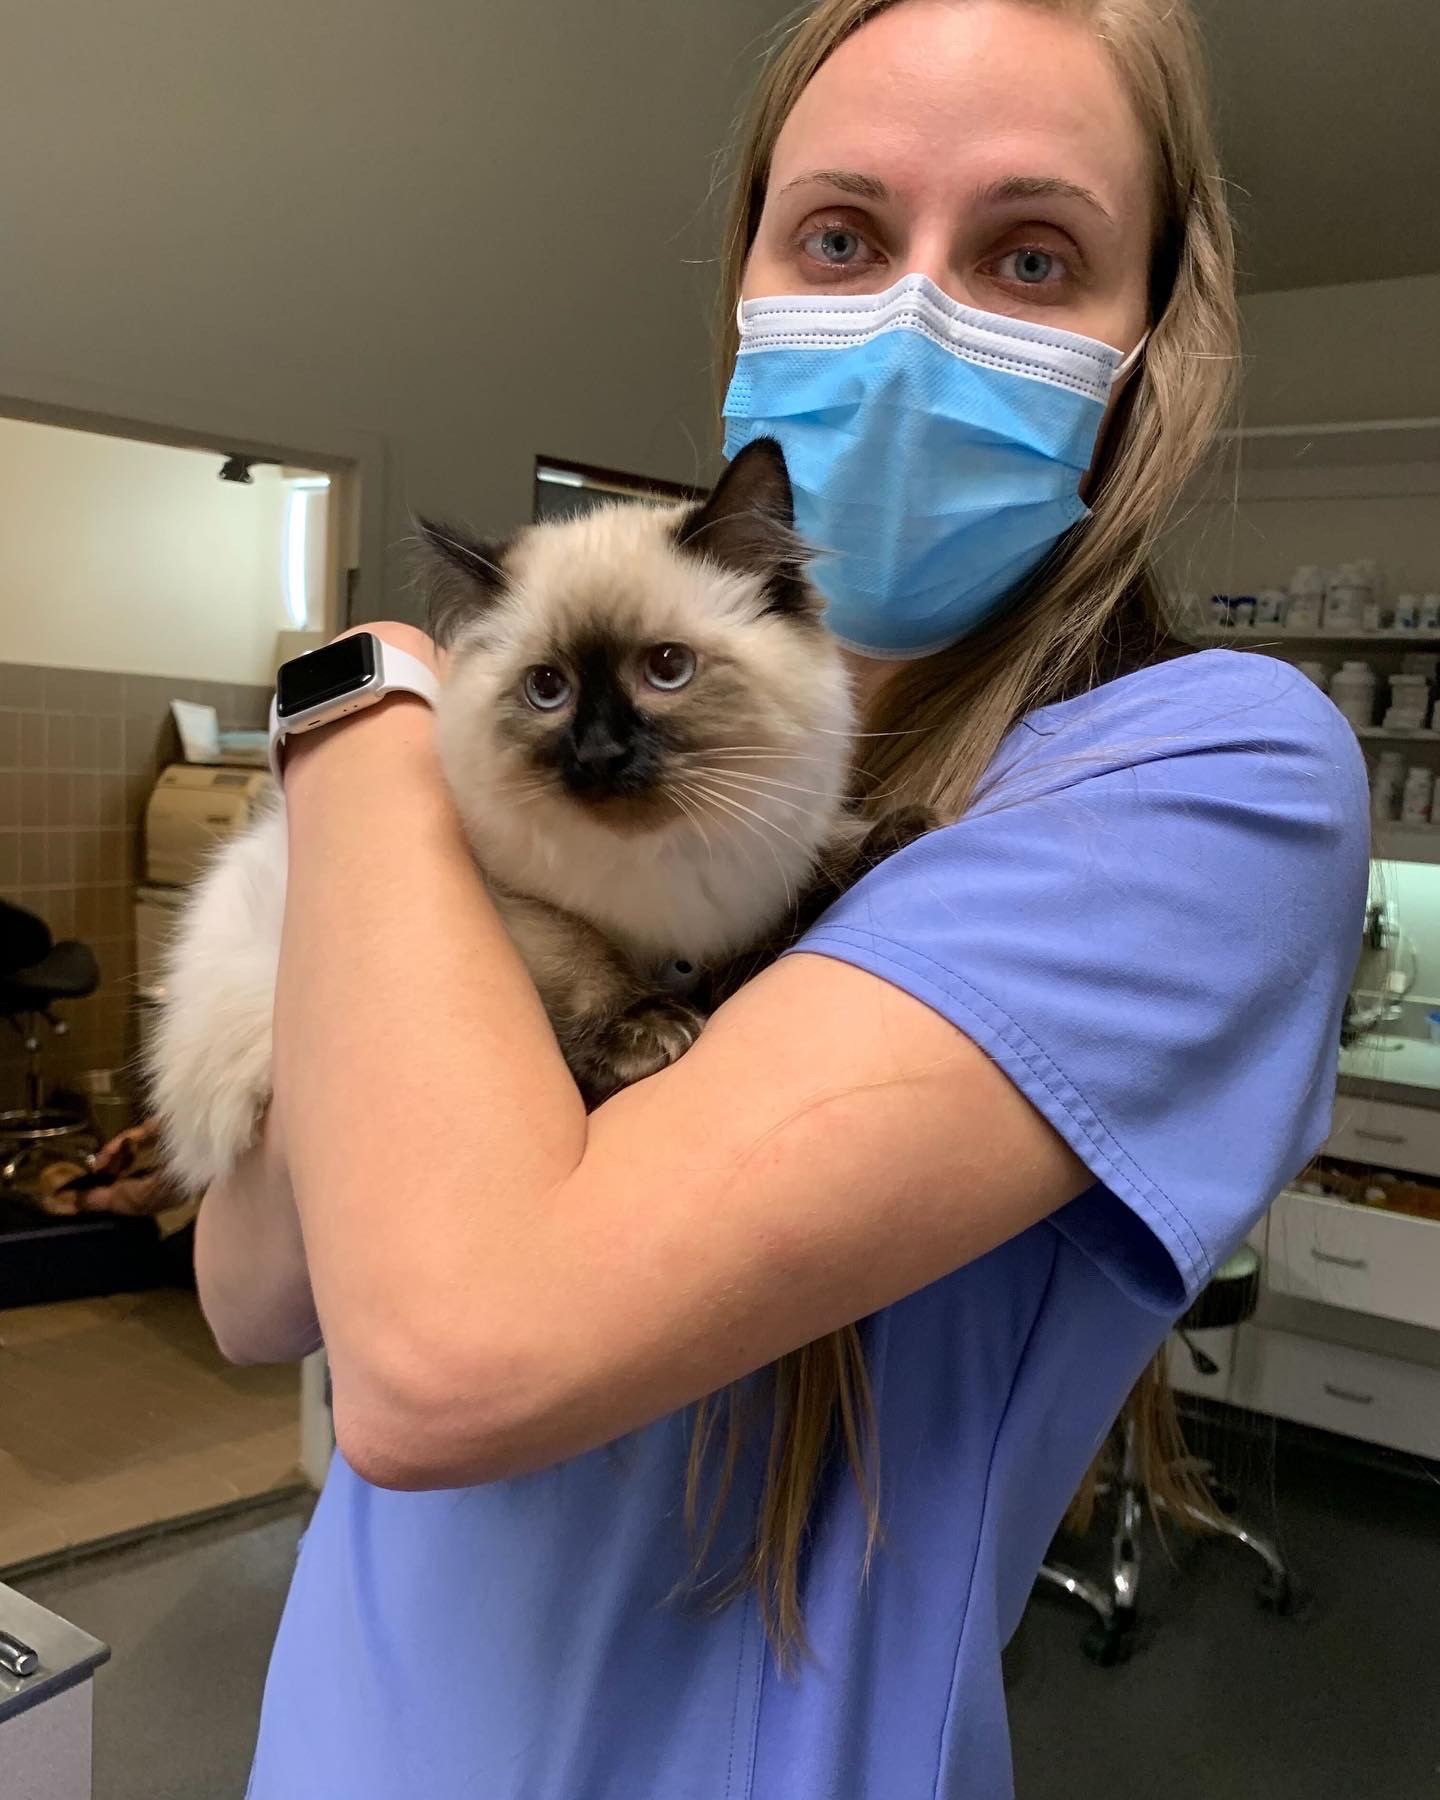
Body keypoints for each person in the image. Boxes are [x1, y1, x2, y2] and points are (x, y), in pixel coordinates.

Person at [204, 3, 1368, 1794]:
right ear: (747, 283)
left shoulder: (1212, 775)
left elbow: (446, 1354)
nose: (911, 318)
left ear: (1148, 342)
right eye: (841, 235)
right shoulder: (647, 815)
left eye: (1029, 255)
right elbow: (257, 1291)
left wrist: (358, 712)